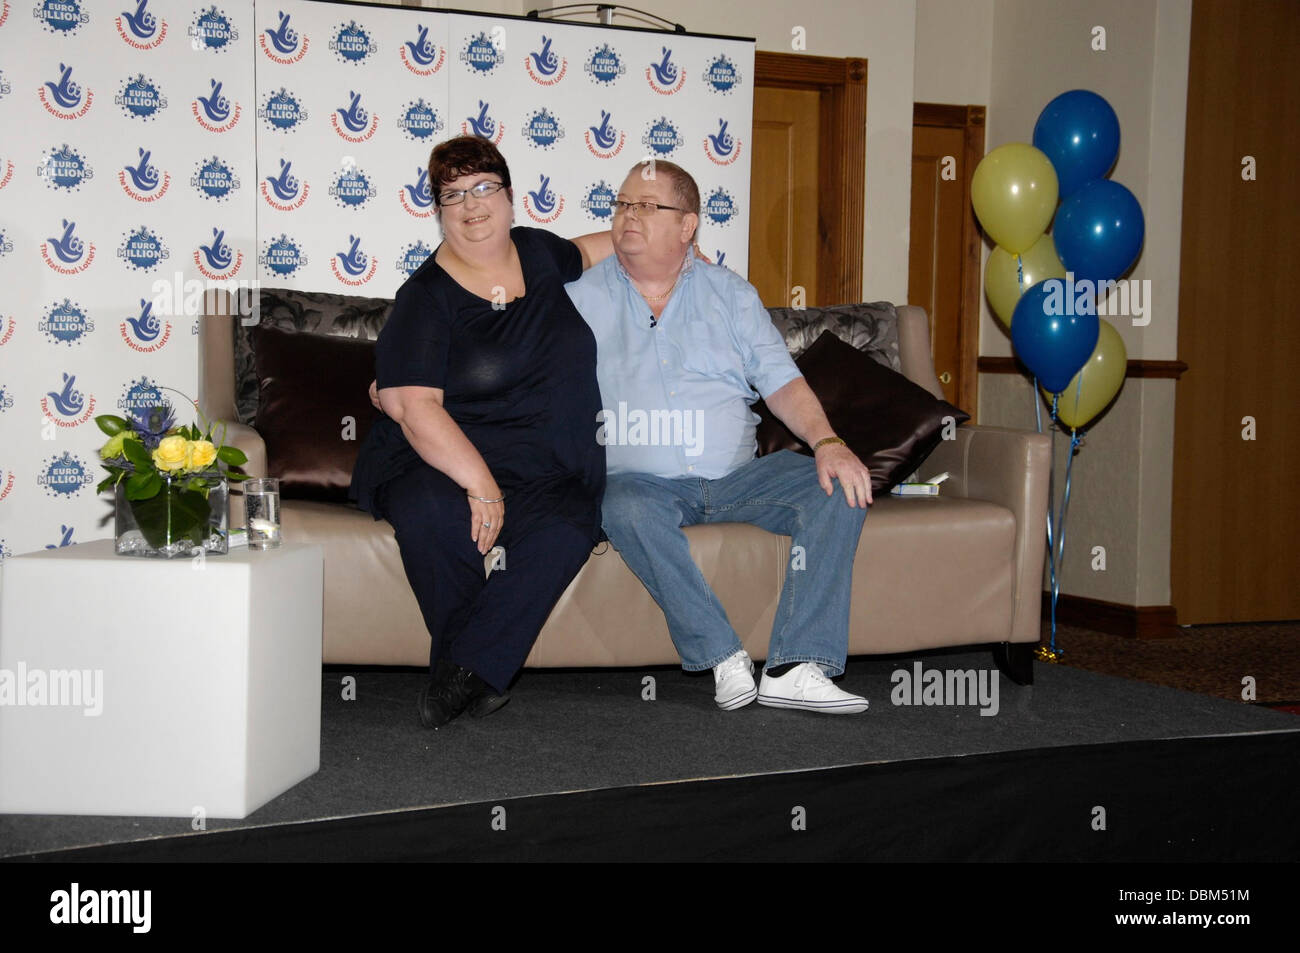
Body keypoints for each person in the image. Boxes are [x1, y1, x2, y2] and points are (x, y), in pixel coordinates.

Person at [565, 159, 873, 714]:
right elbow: (513, 275)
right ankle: (722, 655)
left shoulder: (730, 293)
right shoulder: (579, 296)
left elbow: (781, 382)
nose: (629, 215)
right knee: (621, 504)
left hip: (739, 479)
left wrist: (829, 443)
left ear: (688, 226)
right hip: (641, 484)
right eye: (622, 204)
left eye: (647, 206)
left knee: (839, 487)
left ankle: (795, 666)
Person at [350, 136, 613, 729]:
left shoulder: (538, 253)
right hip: (438, 460)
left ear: (510, 196)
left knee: (571, 523)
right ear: (437, 210)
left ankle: (464, 671)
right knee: (432, 513)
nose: (471, 205)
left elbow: (595, 248)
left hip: (541, 466)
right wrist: (481, 485)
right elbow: (413, 407)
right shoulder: (425, 297)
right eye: (452, 194)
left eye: (484, 187)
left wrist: (670, 245)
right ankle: (478, 672)